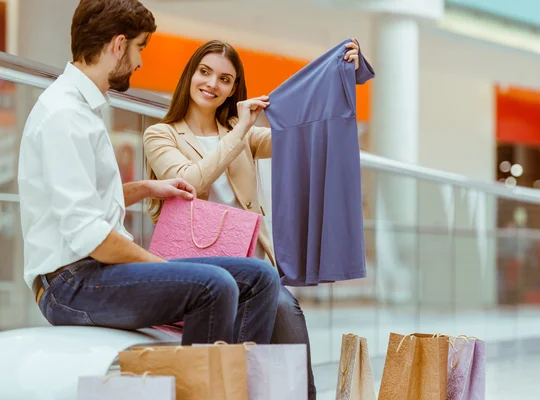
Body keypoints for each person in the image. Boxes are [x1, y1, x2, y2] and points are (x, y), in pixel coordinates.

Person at [17, 0, 281, 347]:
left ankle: (242, 385)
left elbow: (83, 202)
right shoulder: (65, 116)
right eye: (140, 47)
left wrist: (145, 188)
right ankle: (207, 390)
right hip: (70, 285)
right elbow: (90, 237)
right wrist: (160, 264)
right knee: (213, 284)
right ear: (118, 45)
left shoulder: (80, 110)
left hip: (90, 271)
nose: (140, 61)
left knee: (260, 276)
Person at [143, 39, 362, 399]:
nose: (213, 84)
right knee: (280, 307)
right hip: (196, 267)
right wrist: (239, 130)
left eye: (225, 79)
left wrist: (340, 81)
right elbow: (190, 182)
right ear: (190, 75)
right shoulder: (162, 134)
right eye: (205, 72)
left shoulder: (243, 132)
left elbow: (303, 131)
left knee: (286, 313)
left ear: (233, 89)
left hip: (253, 267)